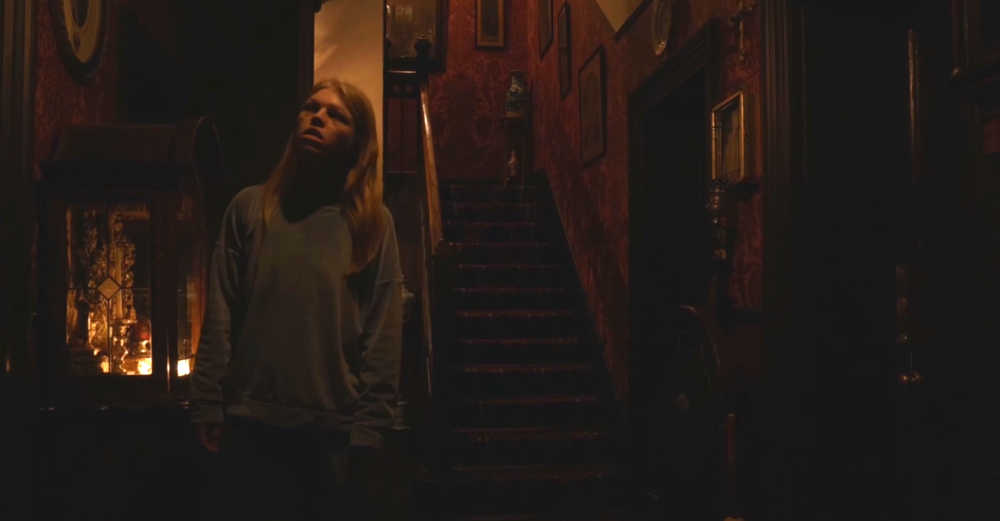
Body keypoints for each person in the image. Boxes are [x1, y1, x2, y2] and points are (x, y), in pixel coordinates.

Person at [190, 78, 403, 520]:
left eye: (335, 115)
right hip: (251, 424)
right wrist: (208, 399)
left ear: (357, 143)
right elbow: (220, 313)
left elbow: (383, 332)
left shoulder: (372, 225)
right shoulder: (250, 208)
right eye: (311, 108)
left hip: (332, 434)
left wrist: (371, 428)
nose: (317, 117)